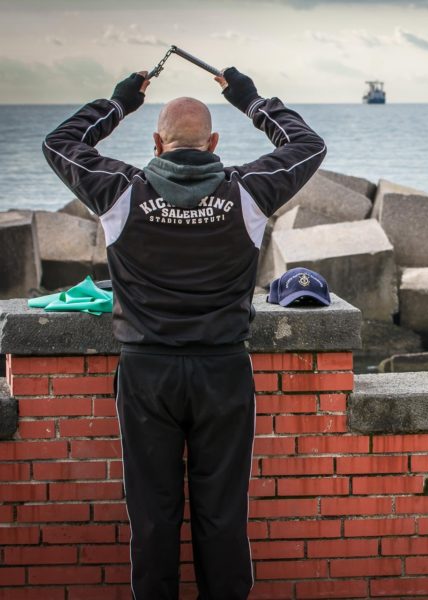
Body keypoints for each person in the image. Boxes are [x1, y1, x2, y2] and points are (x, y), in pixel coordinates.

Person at [43, 67, 326, 599]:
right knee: (223, 513)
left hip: (147, 373)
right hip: (223, 371)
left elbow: (59, 143)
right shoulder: (247, 193)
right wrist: (251, 99)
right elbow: (308, 146)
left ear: (157, 142)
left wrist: (119, 102)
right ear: (213, 143)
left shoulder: (121, 192)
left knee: (152, 515)